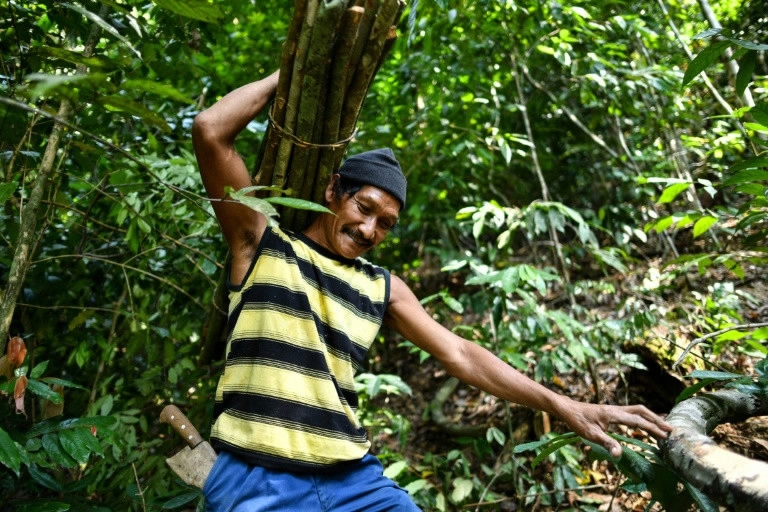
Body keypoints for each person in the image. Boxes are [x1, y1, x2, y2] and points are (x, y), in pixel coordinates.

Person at [192, 71, 672, 511]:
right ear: (333, 190)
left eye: (385, 224)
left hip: (352, 480)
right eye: (364, 207)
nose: (368, 229)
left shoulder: (382, 287)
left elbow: (460, 353)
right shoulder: (262, 242)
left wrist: (562, 404)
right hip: (257, 480)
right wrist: (294, 75)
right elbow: (211, 130)